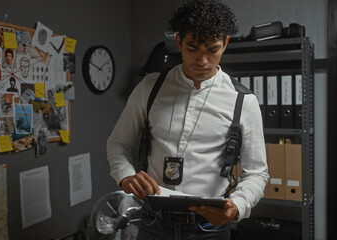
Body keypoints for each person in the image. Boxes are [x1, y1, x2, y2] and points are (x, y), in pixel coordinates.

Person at [106, 0, 269, 239]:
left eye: (212, 49)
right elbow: (117, 143)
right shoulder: (149, 88)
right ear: (179, 42)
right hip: (153, 223)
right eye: (193, 48)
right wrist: (125, 175)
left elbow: (257, 172)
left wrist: (237, 206)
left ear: (225, 44)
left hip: (210, 229)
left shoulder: (244, 102)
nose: (202, 60)